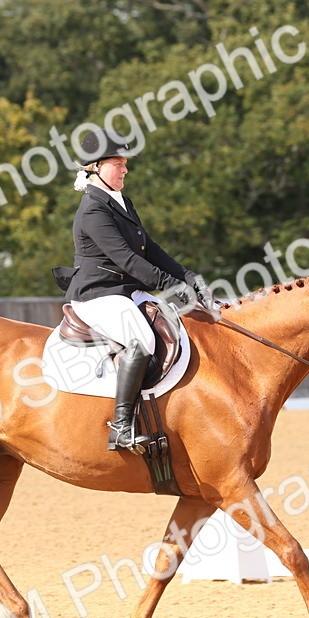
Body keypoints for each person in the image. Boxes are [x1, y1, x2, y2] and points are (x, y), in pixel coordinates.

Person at [54, 129, 216, 453]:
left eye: (125, 163)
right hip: (98, 295)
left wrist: (187, 275)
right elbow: (127, 259)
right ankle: (122, 427)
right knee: (139, 340)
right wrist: (170, 285)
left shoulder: (121, 201)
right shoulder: (92, 210)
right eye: (118, 163)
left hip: (125, 291)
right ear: (96, 167)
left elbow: (150, 249)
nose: (125, 169)